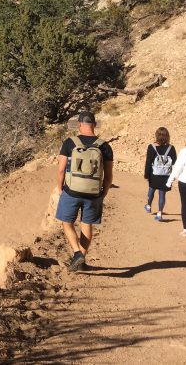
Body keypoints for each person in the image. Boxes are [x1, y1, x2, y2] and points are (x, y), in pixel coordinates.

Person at [55, 110, 114, 271]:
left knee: (66, 222)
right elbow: (108, 177)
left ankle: (76, 252)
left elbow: (61, 170)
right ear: (94, 125)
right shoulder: (105, 146)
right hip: (94, 193)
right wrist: (103, 193)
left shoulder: (69, 143)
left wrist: (60, 188)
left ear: (80, 125)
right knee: (87, 224)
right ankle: (81, 257)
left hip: (71, 191)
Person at [144, 127, 176, 222]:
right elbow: (174, 161)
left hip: (154, 174)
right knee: (162, 194)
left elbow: (148, 162)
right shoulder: (171, 148)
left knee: (151, 190)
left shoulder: (151, 147)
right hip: (166, 175)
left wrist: (146, 175)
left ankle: (148, 206)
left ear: (157, 135)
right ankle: (159, 214)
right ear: (167, 136)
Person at [166, 144, 186, 238]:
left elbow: (178, 167)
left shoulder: (185, 151)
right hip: (184, 181)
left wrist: (170, 181)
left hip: (184, 181)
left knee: (185, 205)